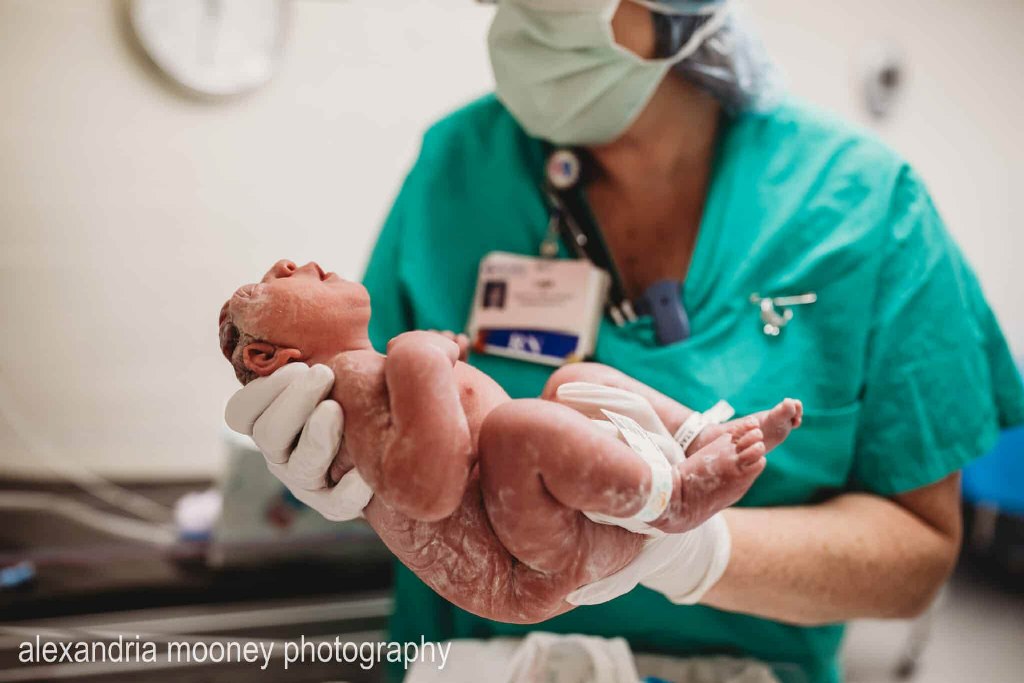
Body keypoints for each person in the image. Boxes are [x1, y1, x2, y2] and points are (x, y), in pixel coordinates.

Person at [224, 1, 1024, 681]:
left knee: (563, 402)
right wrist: (341, 465)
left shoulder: (866, 208)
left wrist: (684, 550)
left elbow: (915, 554)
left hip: (734, 667)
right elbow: (418, 476)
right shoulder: (458, 168)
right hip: (478, 662)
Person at [218, 259, 800, 622]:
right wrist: (422, 357)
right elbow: (431, 492)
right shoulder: (352, 382)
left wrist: (427, 359)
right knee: (519, 428)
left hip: (557, 526)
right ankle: (672, 499)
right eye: (272, 278)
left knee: (575, 383)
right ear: (266, 357)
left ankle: (698, 439)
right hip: (528, 561)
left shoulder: (370, 370)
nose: (295, 262)